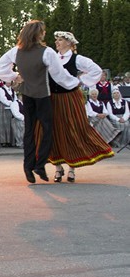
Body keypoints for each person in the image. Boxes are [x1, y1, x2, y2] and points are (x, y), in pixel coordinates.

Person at [0, 20, 80, 184]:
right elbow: (59, 75)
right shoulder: (47, 52)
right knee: (47, 129)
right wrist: (75, 82)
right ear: (38, 34)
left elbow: (0, 67)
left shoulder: (16, 51)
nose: (44, 34)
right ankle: (40, 165)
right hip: (42, 95)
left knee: (29, 131)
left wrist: (13, 77)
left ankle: (28, 166)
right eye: (43, 32)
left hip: (27, 95)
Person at [47, 31, 114, 183]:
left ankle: (72, 168)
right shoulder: (52, 58)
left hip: (70, 98)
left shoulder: (77, 59)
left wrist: (80, 81)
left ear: (70, 43)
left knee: (73, 129)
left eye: (60, 40)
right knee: (54, 130)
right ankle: (58, 168)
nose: (57, 42)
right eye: (56, 40)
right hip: (53, 98)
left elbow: (96, 70)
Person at [0, 80, 16, 146]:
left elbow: (15, 98)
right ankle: (3, 141)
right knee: (3, 125)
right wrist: (11, 103)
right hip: (3, 108)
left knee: (11, 124)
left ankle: (10, 141)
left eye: (10, 81)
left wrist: (14, 104)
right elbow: (3, 99)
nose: (9, 82)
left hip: (11, 108)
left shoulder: (12, 90)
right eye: (7, 81)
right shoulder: (1, 89)